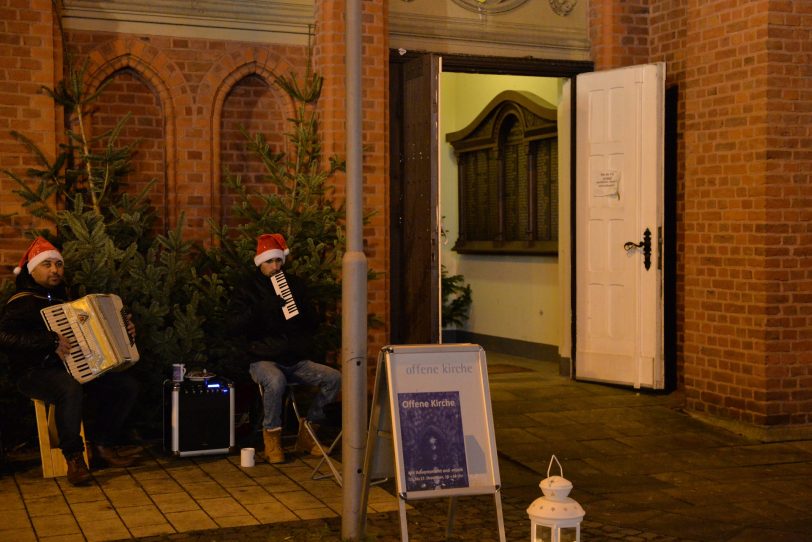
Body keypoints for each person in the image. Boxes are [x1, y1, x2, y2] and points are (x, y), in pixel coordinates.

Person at [0, 237, 141, 485]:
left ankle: (103, 445)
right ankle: (74, 458)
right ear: (33, 270)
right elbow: (5, 336)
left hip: (74, 366)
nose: (55, 270)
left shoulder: (66, 297)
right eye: (47, 265)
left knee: (125, 385)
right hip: (33, 372)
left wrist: (124, 328)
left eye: (58, 264)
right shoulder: (22, 301)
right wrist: (49, 341)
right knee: (69, 387)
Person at [229, 233, 340, 464]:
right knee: (275, 380)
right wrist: (263, 308)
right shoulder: (248, 288)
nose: (275, 266)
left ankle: (308, 434)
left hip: (294, 358)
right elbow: (234, 325)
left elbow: (312, 324)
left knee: (333, 378)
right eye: (270, 261)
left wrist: (304, 309)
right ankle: (272, 439)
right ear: (260, 262)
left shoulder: (295, 285)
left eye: (278, 261)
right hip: (262, 357)